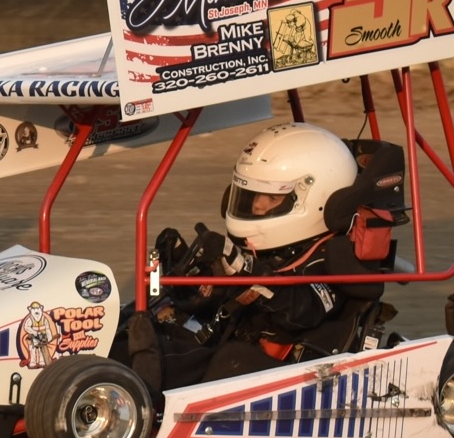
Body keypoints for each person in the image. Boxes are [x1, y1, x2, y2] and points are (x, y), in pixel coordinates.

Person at [116, 122, 365, 397]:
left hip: (246, 363)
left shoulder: (328, 262)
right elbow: (222, 295)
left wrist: (245, 268)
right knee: (127, 328)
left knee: (139, 356)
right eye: (253, 194)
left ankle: (125, 398)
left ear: (315, 200)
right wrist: (189, 270)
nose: (257, 205)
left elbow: (301, 310)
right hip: (213, 337)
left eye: (272, 197)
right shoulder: (274, 250)